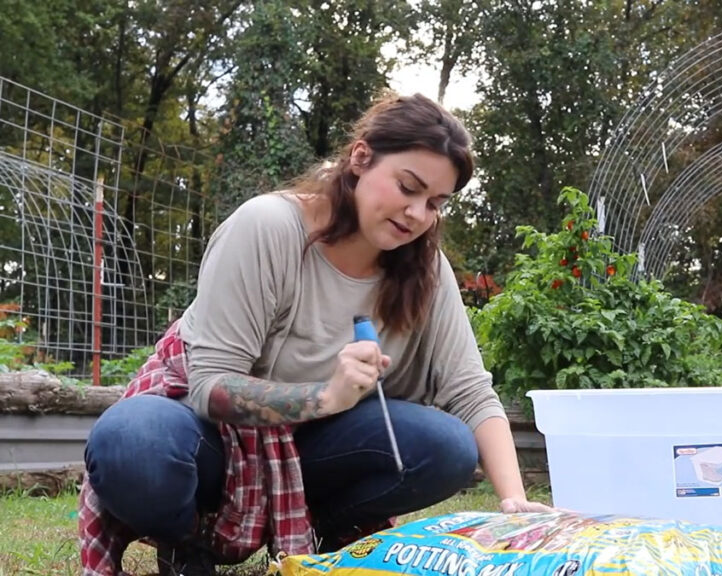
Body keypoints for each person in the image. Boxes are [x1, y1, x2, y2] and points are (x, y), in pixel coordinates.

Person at [78, 92, 552, 576]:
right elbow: (210, 387)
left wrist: (514, 499)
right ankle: (187, 541)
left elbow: (470, 390)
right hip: (213, 437)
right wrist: (326, 396)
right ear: (361, 158)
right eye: (408, 187)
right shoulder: (269, 227)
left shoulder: (425, 268)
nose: (417, 214)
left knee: (447, 446)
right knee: (132, 441)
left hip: (317, 449)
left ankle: (325, 532)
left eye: (434, 203)